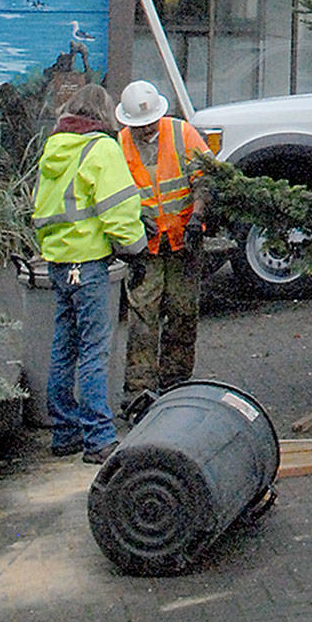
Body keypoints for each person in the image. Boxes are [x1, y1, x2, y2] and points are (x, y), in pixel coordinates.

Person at [31, 84, 146, 464]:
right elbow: (117, 206)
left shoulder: (54, 150)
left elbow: (47, 210)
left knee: (63, 349)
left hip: (60, 263)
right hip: (90, 265)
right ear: (104, 115)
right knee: (95, 351)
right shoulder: (101, 149)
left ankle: (65, 433)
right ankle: (99, 439)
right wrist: (135, 249)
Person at [115, 80, 211, 402]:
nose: (146, 130)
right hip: (147, 249)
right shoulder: (121, 144)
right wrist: (135, 218)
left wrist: (197, 215)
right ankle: (138, 393)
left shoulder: (182, 133)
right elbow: (116, 194)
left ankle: (176, 385)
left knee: (183, 314)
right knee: (143, 320)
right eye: (139, 126)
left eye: (150, 122)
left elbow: (207, 176)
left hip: (185, 240)